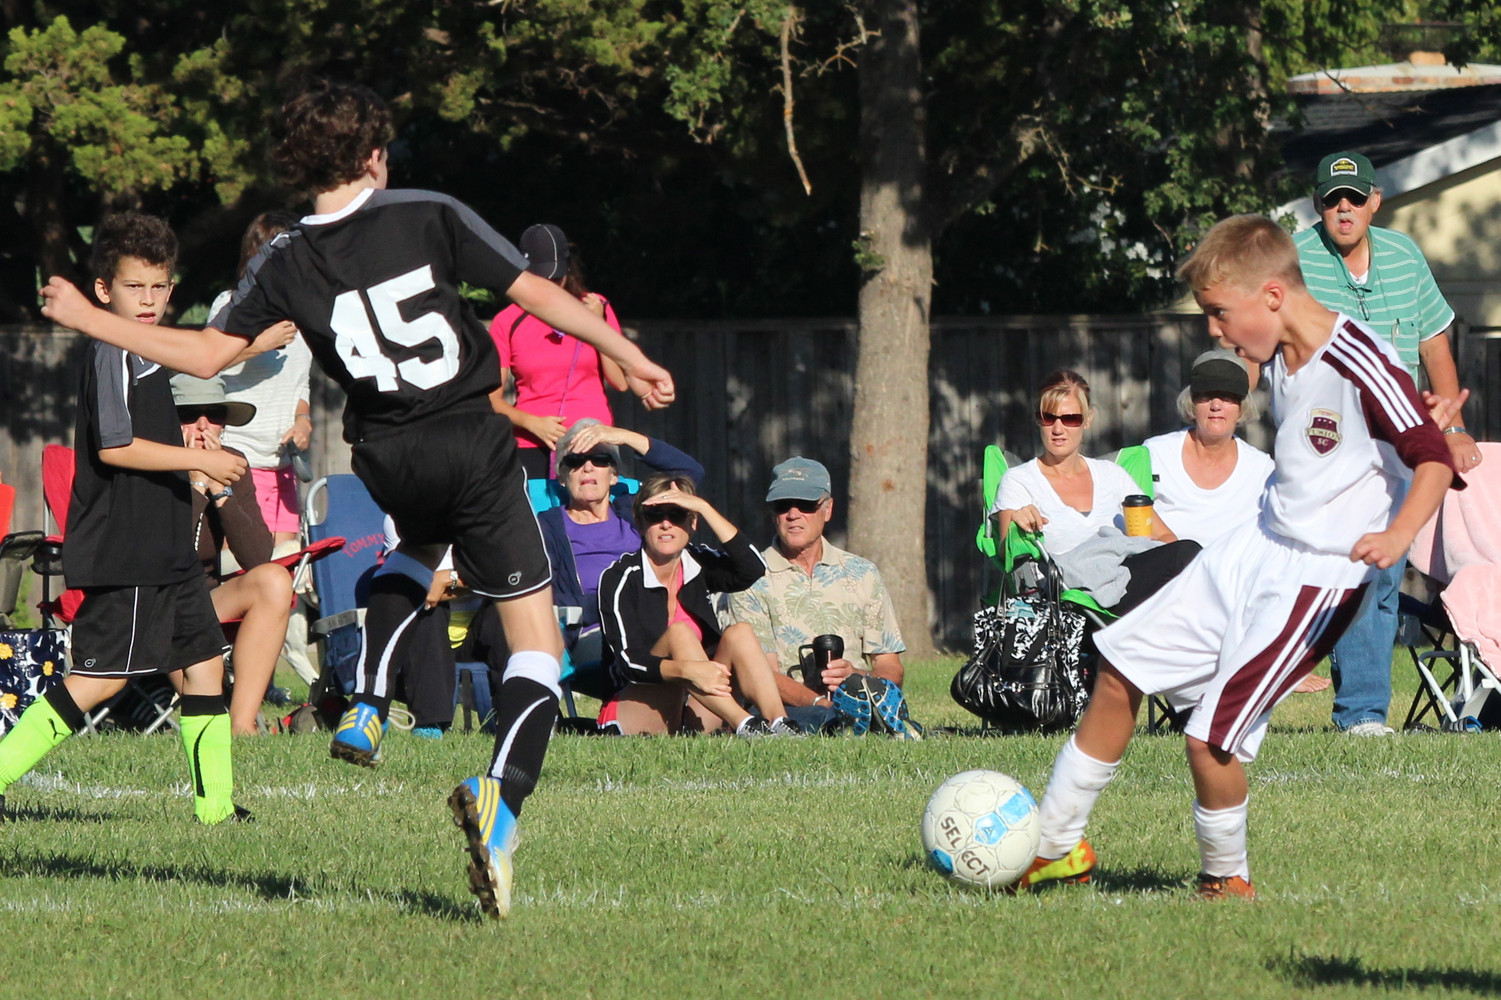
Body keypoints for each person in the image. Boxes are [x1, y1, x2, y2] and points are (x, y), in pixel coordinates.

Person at [38, 80, 676, 919]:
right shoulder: (427, 212)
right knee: (535, 647)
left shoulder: (282, 257)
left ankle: (368, 704)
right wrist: (627, 355)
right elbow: (535, 293)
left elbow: (202, 354)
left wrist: (90, 318)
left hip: (385, 455)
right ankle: (501, 797)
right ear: (374, 154)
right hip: (467, 437)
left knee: (417, 549)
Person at [1017, 214, 1460, 901]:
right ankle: (1053, 846)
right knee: (1120, 668)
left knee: (1209, 739)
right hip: (1254, 545)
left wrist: (1399, 535)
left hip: (1317, 575)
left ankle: (1226, 880)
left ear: (1272, 296)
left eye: (1220, 313)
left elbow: (1430, 457)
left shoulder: (1359, 357)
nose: (1215, 331)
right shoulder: (1281, 351)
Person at [1, 213, 247, 824]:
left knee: (205, 665)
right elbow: (116, 447)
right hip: (127, 548)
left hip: (167, 546)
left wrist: (257, 344)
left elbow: (198, 362)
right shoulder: (110, 350)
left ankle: (216, 811)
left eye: (159, 286)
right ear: (103, 290)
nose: (149, 299)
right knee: (102, 680)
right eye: (135, 286)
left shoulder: (148, 352)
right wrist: (202, 459)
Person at [1295, 150, 1479, 736]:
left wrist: (1453, 429)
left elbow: (1434, 346)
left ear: (1375, 201)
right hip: (1328, 438)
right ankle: (1361, 711)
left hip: (1401, 439)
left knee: (1383, 574)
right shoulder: (1296, 258)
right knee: (1360, 568)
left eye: (1355, 198)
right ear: (1318, 206)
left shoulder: (1404, 255)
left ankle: (1362, 710)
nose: (1344, 208)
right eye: (1333, 200)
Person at [1144, 349, 1328, 695]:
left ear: (1242, 408)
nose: (1217, 406)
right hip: (1170, 586)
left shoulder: (1262, 469)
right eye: (1206, 396)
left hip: (1238, 588)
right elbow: (1133, 517)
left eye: (1228, 397)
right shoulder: (1154, 453)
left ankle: (1271, 661)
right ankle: (1268, 665)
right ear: (1191, 402)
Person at [596, 474, 798, 736]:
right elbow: (628, 663)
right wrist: (687, 670)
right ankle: (746, 724)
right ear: (640, 523)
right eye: (655, 515)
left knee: (740, 632)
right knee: (679, 633)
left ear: (692, 522)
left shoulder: (697, 562)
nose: (666, 524)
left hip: (697, 703)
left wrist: (703, 507)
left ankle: (780, 723)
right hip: (638, 705)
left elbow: (753, 568)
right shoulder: (619, 578)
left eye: (677, 514)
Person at [991, 369, 1199, 615]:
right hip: (1066, 599)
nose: (1058, 428)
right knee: (1187, 556)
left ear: (1088, 419)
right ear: (1038, 419)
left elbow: (1165, 537)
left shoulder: (1113, 476)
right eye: (1048, 417)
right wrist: (1015, 526)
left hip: (1124, 581)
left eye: (1070, 419)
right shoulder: (1020, 480)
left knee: (1190, 555)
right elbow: (1007, 554)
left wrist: (1138, 547)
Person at [725, 457, 905, 712]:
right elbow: (761, 674)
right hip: (782, 712)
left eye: (806, 504)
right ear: (773, 514)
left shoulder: (863, 573)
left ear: (828, 509)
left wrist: (856, 677)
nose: (793, 514)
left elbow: (891, 668)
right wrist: (823, 706)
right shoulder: (750, 578)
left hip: (857, 706)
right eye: (782, 505)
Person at [536, 418, 703, 687]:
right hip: (598, 634)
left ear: (614, 476)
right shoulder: (547, 527)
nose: (588, 467)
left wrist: (624, 437)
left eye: (600, 459)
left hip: (662, 621)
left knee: (705, 637)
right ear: (562, 477)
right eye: (575, 461)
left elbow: (689, 473)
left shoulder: (637, 512)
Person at [173, 374, 296, 735]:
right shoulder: (149, 465)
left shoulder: (232, 463)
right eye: (189, 414)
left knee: (274, 579)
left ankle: (243, 724)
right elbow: (164, 554)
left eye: (213, 415)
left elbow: (258, 557)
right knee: (205, 700)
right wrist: (195, 486)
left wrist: (220, 489)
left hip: (205, 598)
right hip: (154, 602)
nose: (202, 426)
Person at [488, 225, 628, 479]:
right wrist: (532, 423)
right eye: (542, 277)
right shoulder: (507, 321)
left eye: (557, 277)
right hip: (533, 444)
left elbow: (619, 382)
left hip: (592, 441)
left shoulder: (595, 307)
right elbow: (491, 400)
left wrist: (597, 325)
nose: (550, 285)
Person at [209, 211, 313, 548]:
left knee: (284, 570)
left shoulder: (303, 316)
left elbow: (300, 384)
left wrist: (303, 420)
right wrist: (259, 345)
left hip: (282, 465)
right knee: (240, 570)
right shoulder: (230, 305)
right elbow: (206, 365)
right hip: (239, 463)